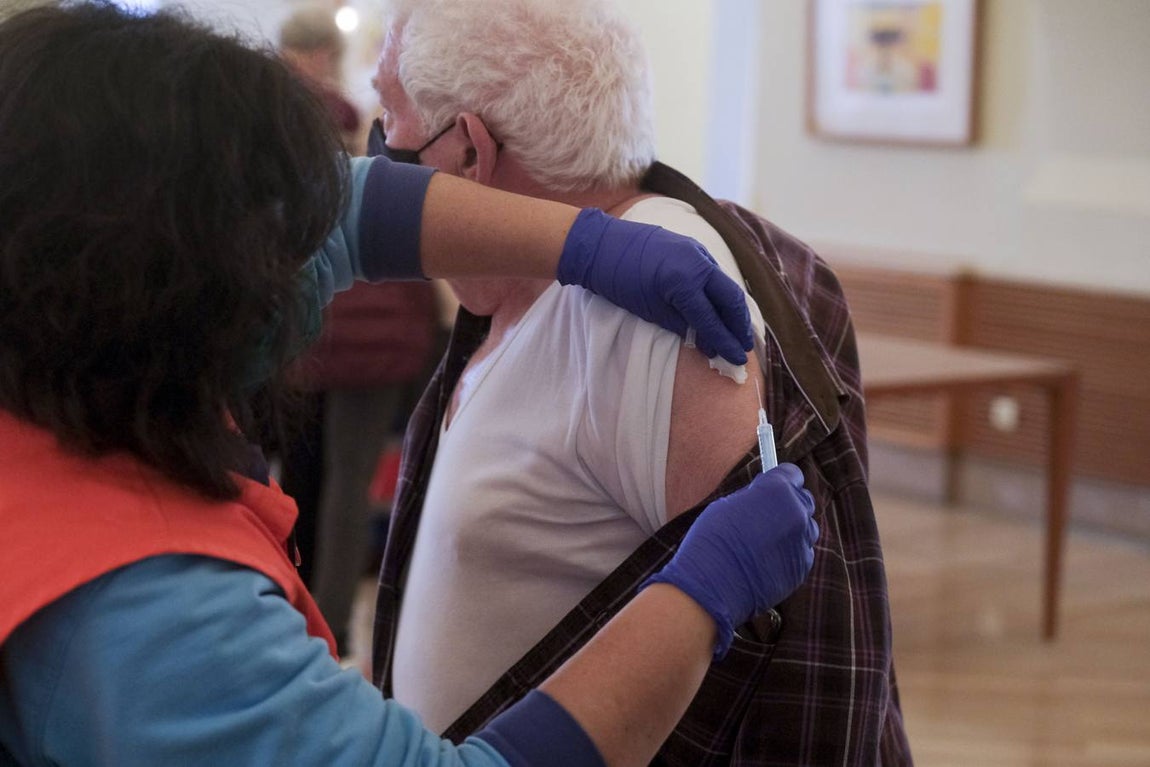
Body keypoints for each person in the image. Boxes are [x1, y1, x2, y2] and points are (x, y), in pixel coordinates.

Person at [0, 3, 818, 766]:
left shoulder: (49, 368)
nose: (299, 256)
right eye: (264, 232)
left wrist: (583, 245)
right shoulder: (157, 614)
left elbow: (349, 212)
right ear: (167, 278)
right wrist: (702, 594)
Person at [368, 1, 912, 763]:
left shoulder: (638, 319)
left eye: (388, 120)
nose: (377, 148)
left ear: (468, 154)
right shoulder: (532, 282)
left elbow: (757, 674)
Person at [277, 4, 440, 658]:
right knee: (349, 484)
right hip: (375, 338)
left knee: (299, 477)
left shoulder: (271, 125)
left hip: (310, 333)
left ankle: (292, 611)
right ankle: (332, 627)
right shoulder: (361, 128)